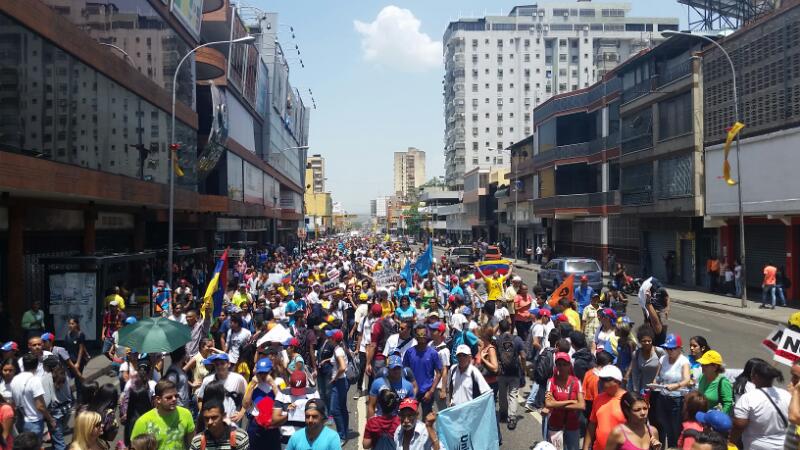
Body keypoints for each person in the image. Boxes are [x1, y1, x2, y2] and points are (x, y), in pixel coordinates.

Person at [731, 359, 790, 450]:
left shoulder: (748, 398)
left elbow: (739, 425)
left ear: (755, 376)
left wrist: (731, 442)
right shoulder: (786, 394)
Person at [651, 333, 692, 447]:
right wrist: (654, 383)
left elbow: (687, 380)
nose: (669, 351)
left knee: (675, 429)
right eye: (667, 348)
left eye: (672, 349)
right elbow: (657, 377)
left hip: (677, 399)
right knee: (664, 426)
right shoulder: (663, 359)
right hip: (663, 397)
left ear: (679, 348)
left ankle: (675, 447)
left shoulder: (683, 361)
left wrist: (676, 385)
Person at [130, 379, 195, 449]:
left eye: (176, 396)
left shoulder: (186, 414)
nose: (174, 399)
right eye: (169, 397)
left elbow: (191, 443)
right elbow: (134, 447)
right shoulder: (143, 422)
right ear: (158, 399)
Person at [544, 352, 584, 450]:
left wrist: (555, 404)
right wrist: (571, 402)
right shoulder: (551, 381)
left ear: (569, 365)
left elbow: (581, 405)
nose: (561, 367)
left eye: (564, 365)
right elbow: (548, 403)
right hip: (555, 423)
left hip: (572, 424)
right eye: (559, 365)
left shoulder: (576, 382)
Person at [583, 364, 627, 450]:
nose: (601, 382)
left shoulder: (628, 400)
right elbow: (592, 424)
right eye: (600, 379)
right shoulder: (598, 398)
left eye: (605, 380)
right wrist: (585, 447)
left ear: (617, 381)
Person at [402, 324, 442, 417]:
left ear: (427, 335)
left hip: (427, 392)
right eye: (419, 335)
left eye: (424, 334)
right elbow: (404, 372)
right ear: (415, 336)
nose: (422, 337)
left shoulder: (433, 353)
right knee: (411, 418)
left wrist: (431, 391)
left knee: (427, 420)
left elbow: (439, 373)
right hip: (412, 392)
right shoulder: (409, 352)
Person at [10, 353, 55, 435]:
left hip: (20, 421)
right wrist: (50, 419)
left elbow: (13, 402)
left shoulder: (14, 379)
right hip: (34, 422)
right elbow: (40, 406)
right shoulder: (34, 380)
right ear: (37, 365)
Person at [196, 353, 247, 422]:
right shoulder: (207, 380)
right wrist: (205, 415)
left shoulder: (238, 379)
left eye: (222, 363)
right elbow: (200, 399)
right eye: (217, 364)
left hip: (232, 420)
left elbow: (247, 397)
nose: (219, 366)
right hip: (214, 421)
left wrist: (241, 413)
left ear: (228, 364)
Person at [496, 319, 525, 430]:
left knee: (502, 393)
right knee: (513, 394)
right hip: (514, 371)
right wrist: (523, 369)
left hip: (502, 372)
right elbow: (523, 356)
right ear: (510, 327)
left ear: (500, 328)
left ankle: (503, 413)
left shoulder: (498, 339)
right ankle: (512, 417)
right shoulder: (517, 340)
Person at [327, 329, 350, 442]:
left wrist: (334, 378)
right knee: (342, 409)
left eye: (330, 337)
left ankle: (341, 436)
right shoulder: (338, 349)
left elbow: (342, 367)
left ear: (333, 339)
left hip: (339, 382)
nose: (328, 339)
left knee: (335, 410)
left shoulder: (338, 351)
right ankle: (344, 433)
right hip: (342, 382)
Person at [627, 326, 664, 395]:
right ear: (640, 342)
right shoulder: (636, 354)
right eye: (644, 341)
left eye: (649, 341)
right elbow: (635, 373)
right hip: (644, 390)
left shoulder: (659, 352)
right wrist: (636, 390)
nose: (647, 343)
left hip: (658, 390)